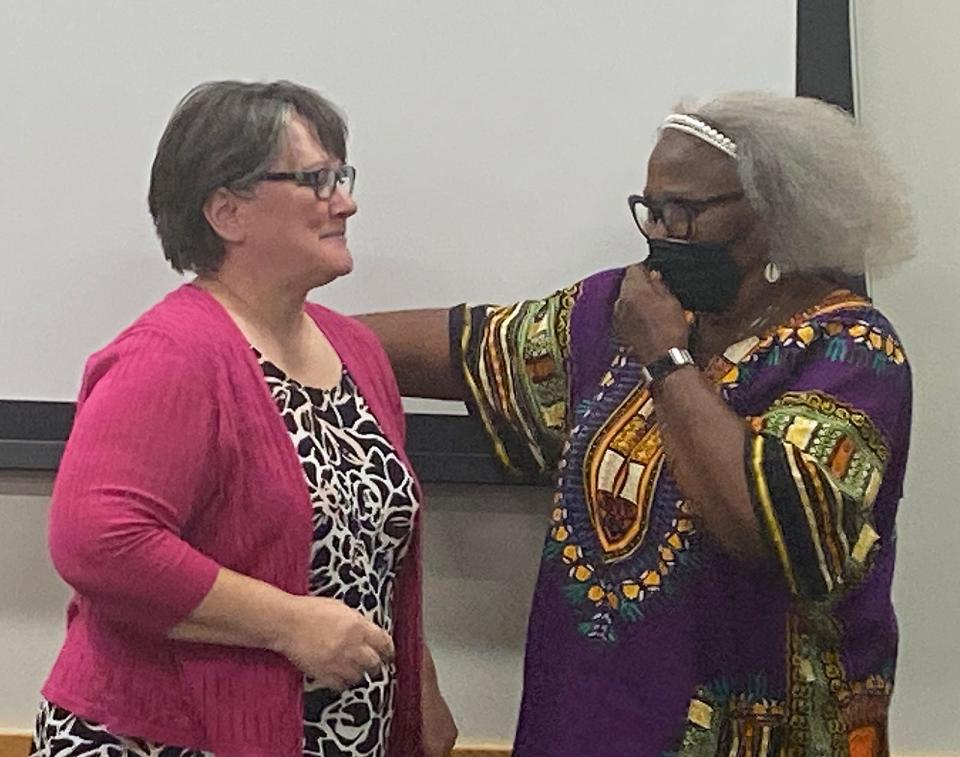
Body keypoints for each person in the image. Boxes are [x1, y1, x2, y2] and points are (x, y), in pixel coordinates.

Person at [361, 92, 914, 756]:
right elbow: (464, 347)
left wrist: (664, 357)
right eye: (651, 209)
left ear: (775, 213)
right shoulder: (615, 311)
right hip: (589, 719)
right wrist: (273, 331)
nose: (660, 232)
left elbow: (760, 524)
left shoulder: (851, 350)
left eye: (684, 211)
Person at [31, 81, 456, 757]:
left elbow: (368, 554)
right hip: (165, 736)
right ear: (228, 211)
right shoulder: (170, 356)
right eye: (316, 180)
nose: (346, 201)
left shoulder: (357, 352)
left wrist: (417, 689)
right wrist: (288, 624)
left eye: (341, 176)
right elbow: (97, 541)